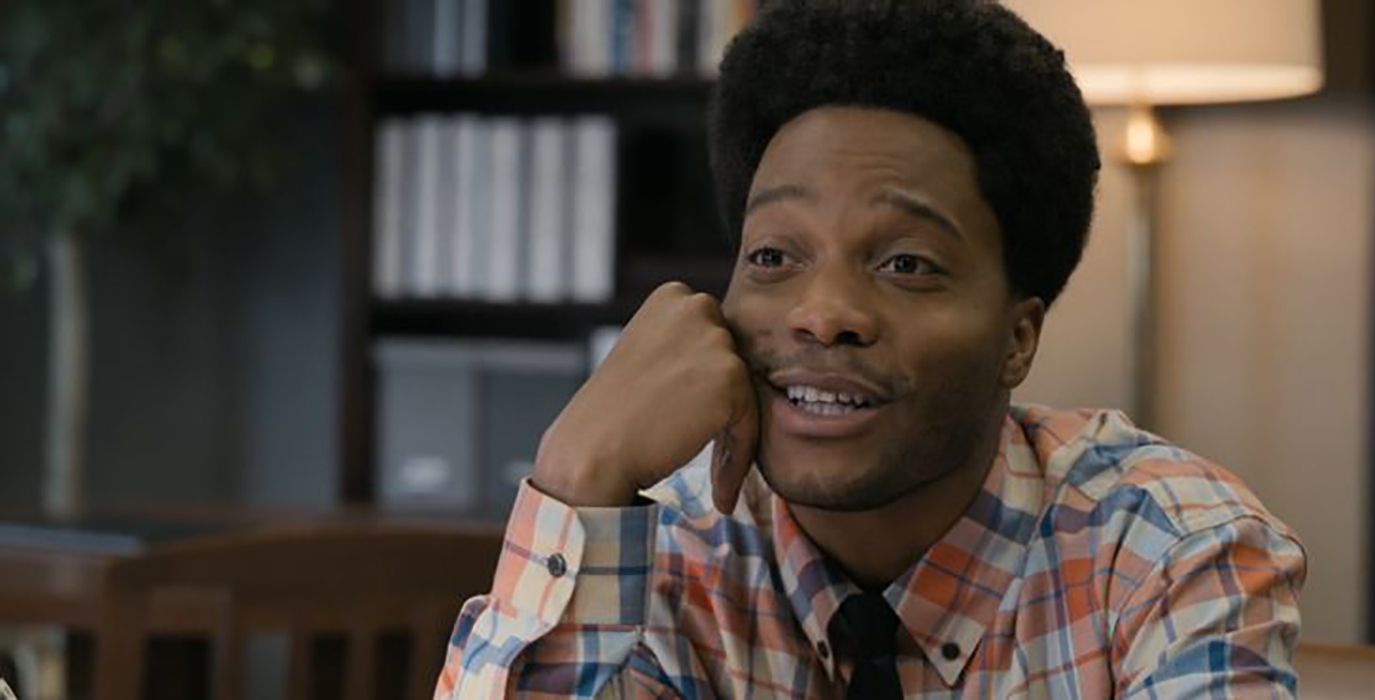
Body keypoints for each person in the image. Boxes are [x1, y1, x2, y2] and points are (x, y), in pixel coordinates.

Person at [434, 1, 1306, 697]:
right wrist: (575, 478)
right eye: (774, 256)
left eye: (906, 263)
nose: (824, 314)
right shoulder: (668, 545)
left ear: (1018, 337)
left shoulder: (1166, 548)